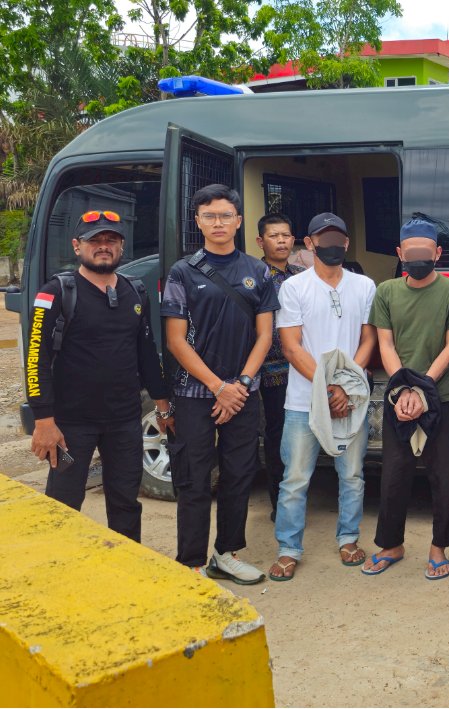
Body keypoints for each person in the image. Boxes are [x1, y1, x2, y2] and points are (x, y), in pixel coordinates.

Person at [25, 210, 173, 541]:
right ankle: (59, 570)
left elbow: (146, 353)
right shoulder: (57, 292)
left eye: (112, 240)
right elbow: (36, 358)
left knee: (125, 502)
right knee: (63, 503)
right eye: (96, 241)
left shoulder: (135, 292)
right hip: (70, 426)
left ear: (121, 247)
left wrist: (163, 405)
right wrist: (44, 421)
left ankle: (126, 567)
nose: (104, 246)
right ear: (78, 246)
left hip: (123, 422)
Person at [161, 184, 278, 584]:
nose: (218, 223)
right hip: (196, 394)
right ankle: (191, 562)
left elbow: (265, 335)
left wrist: (241, 384)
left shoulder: (257, 270)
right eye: (209, 216)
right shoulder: (183, 271)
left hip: (243, 393)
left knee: (239, 474)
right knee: (194, 479)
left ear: (239, 221)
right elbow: (176, 340)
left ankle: (226, 554)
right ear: (198, 222)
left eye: (226, 215)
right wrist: (218, 386)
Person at [267, 212, 376, 581]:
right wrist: (328, 389)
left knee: (354, 476)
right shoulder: (294, 288)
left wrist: (345, 387)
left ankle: (348, 538)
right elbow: (292, 347)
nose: (332, 245)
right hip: (303, 402)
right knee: (295, 479)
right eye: (323, 238)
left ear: (346, 243)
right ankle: (288, 548)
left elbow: (369, 339)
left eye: (338, 239)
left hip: (351, 401)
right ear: (309, 243)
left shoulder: (364, 286)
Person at [363, 218, 449, 580]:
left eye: (426, 252)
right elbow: (386, 343)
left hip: (445, 395)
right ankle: (391, 544)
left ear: (438, 253)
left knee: (445, 475)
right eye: (412, 253)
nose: (418, 258)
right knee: (394, 473)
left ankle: (439, 546)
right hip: (400, 398)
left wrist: (422, 388)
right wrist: (403, 390)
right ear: (400, 254)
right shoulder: (387, 291)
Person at [256, 213, 304, 521]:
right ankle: (280, 505)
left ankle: (297, 497)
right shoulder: (255, 276)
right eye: (275, 236)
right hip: (271, 373)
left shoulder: (301, 275)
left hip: (301, 368)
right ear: (261, 241)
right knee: (277, 438)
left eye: (286, 235)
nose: (282, 241)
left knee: (300, 437)